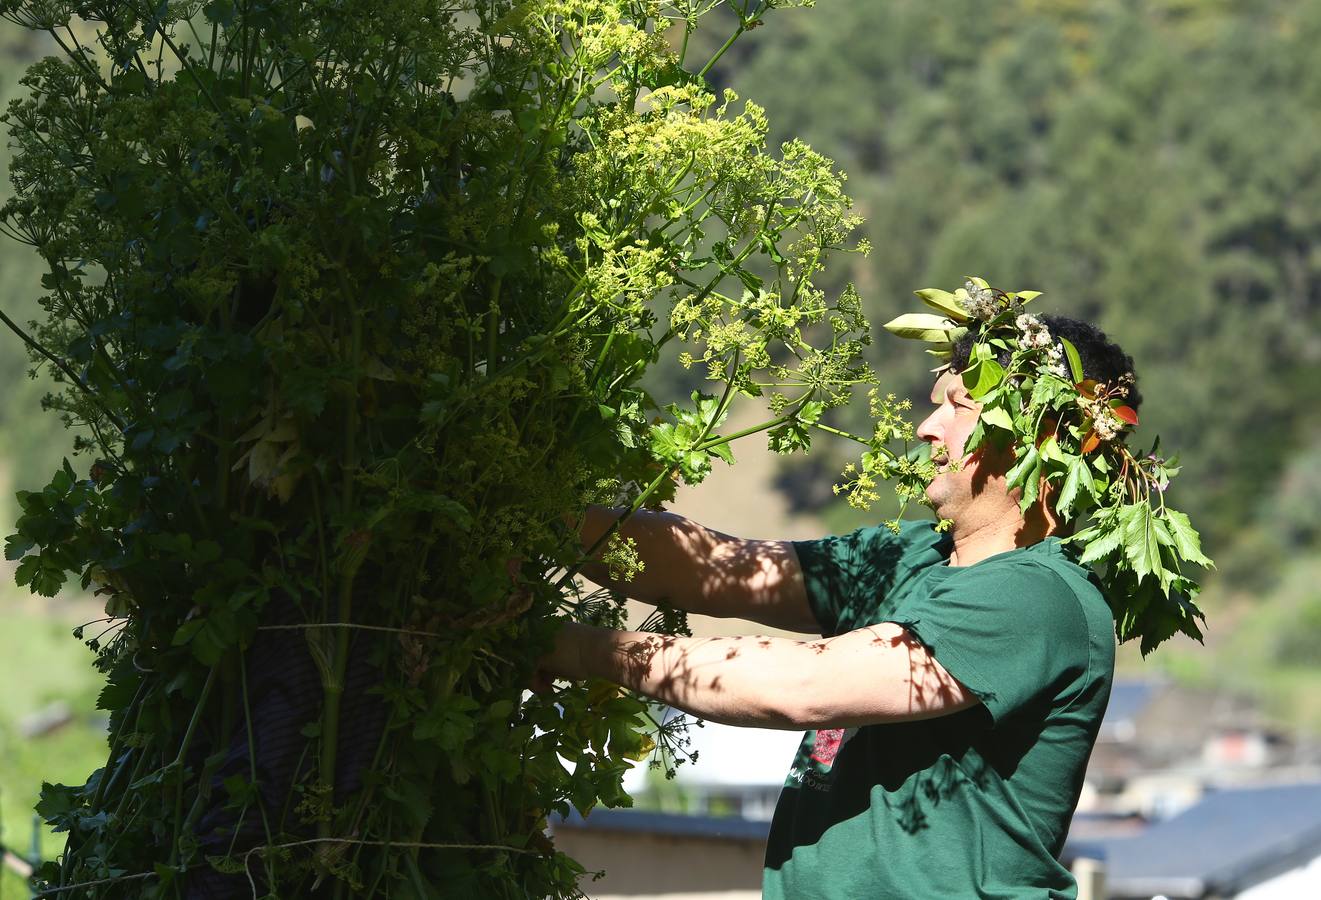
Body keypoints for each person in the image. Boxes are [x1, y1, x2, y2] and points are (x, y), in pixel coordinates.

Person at [538, 313, 1135, 898]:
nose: (928, 427)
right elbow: (716, 569)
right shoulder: (906, 556)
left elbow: (803, 686)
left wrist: (575, 648)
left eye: (958, 407)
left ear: (1042, 436)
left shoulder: (1038, 596)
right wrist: (538, 522)